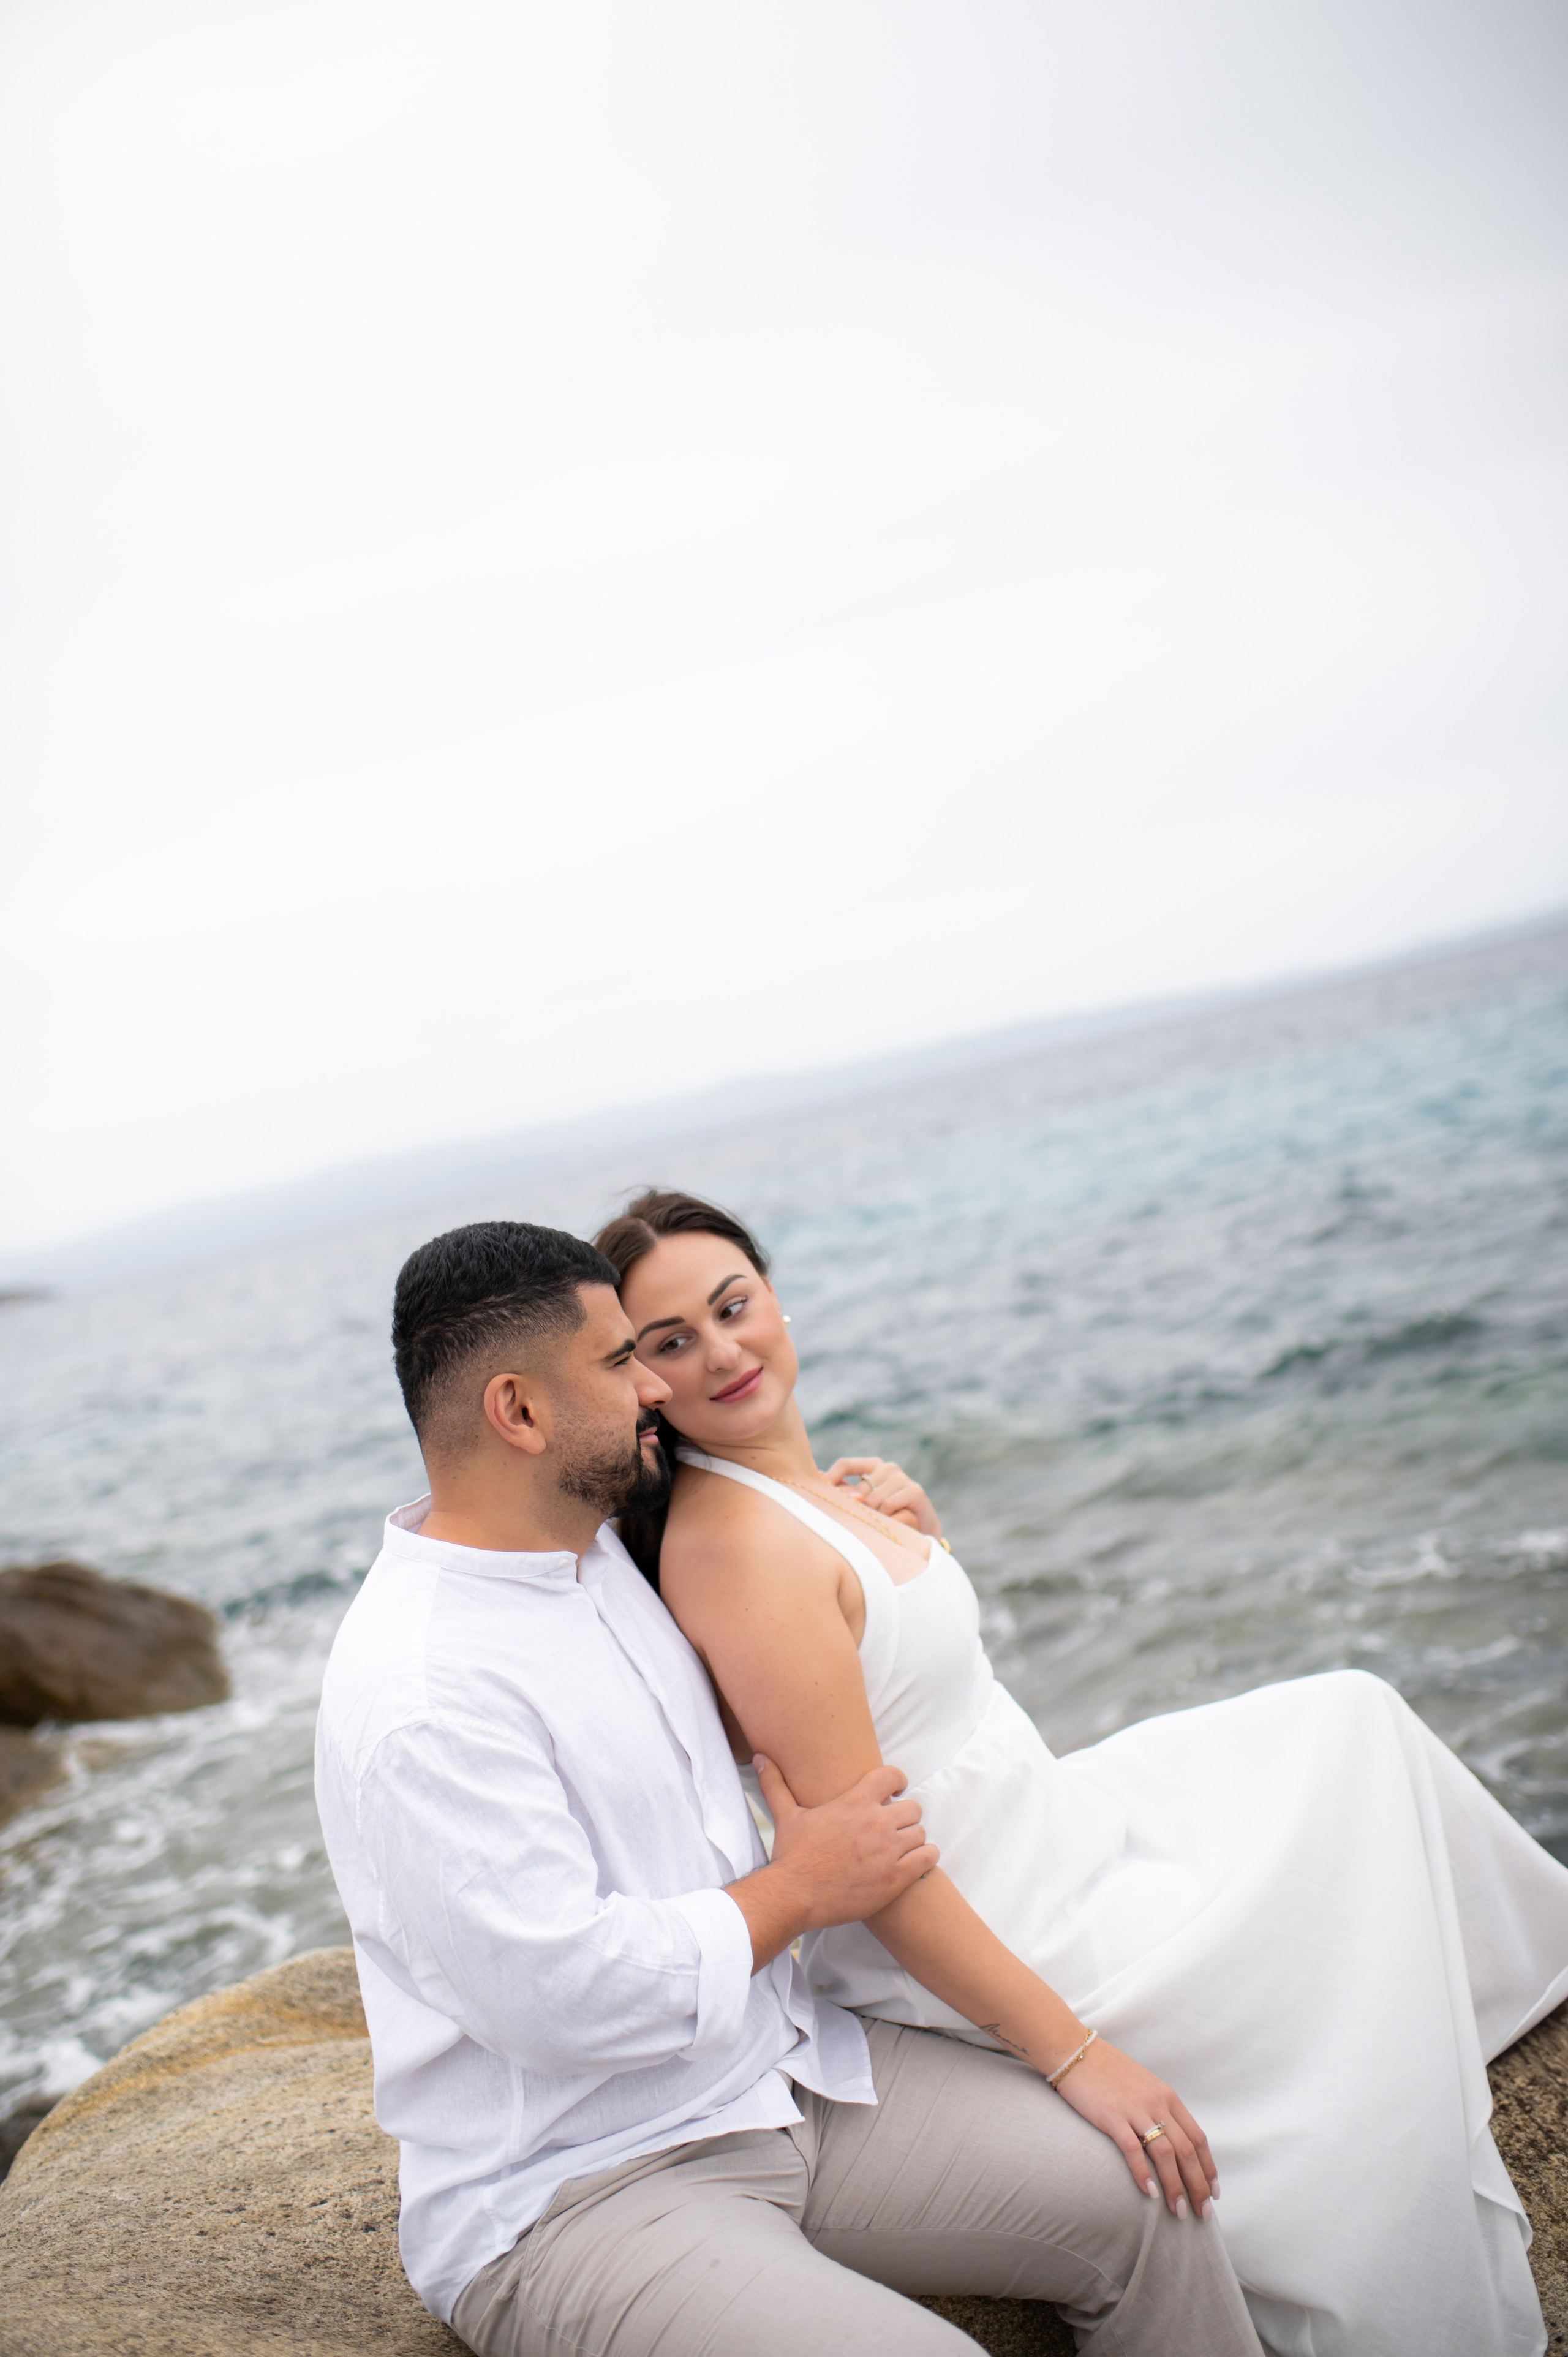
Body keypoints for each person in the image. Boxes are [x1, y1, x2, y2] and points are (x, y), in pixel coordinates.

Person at [598, 1186, 1568, 2357]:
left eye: (732, 1306)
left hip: (1049, 1820)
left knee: (1350, 1725)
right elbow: (878, 1872)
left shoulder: (807, 1494)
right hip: (1007, 1909)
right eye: (671, 1342)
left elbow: (903, 1677)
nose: (721, 1351)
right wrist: (1074, 2056)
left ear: (776, 1300)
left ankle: (1510, 1995)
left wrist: (914, 1539)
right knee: (1333, 1885)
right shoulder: (738, 1546)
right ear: (641, 1382)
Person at [314, 1219, 1263, 2357]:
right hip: (581, 2190)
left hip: (786, 2075)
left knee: (1148, 2199)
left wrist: (879, 1532)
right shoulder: (424, 1692)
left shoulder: (592, 1554)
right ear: (517, 1412)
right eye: (622, 1363)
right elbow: (558, 1994)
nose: (654, 1390)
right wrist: (799, 1891)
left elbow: (781, 1647)